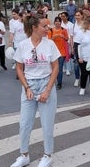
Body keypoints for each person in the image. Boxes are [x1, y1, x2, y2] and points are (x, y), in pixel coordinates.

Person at [10, 13, 60, 167]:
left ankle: (48, 155)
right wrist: (26, 87)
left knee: (47, 124)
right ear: (34, 28)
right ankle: (24, 155)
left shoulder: (50, 44)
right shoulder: (23, 45)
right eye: (44, 26)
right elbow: (19, 67)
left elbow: (56, 66)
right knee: (24, 123)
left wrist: (47, 90)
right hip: (29, 86)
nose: (48, 28)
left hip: (47, 84)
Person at [48, 16, 69, 90]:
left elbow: (67, 39)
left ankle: (59, 83)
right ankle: (54, 80)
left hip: (62, 52)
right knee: (54, 68)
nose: (57, 22)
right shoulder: (51, 30)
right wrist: (54, 37)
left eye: (59, 21)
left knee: (59, 68)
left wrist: (62, 36)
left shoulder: (64, 30)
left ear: (60, 22)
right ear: (54, 22)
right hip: (53, 52)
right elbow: (49, 40)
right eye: (56, 21)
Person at [71, 10, 84, 87]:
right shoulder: (73, 25)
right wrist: (72, 47)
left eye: (79, 15)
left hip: (84, 45)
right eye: (76, 15)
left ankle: (83, 78)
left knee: (83, 63)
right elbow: (71, 37)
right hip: (76, 45)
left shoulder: (84, 25)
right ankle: (77, 78)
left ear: (82, 16)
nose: (77, 17)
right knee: (76, 63)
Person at [60, 11, 74, 76]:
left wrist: (71, 44)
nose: (62, 17)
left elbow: (71, 35)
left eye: (63, 16)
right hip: (60, 42)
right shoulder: (60, 24)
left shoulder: (71, 24)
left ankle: (68, 69)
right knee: (62, 56)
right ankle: (64, 68)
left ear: (67, 17)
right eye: (61, 16)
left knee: (67, 56)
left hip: (67, 41)